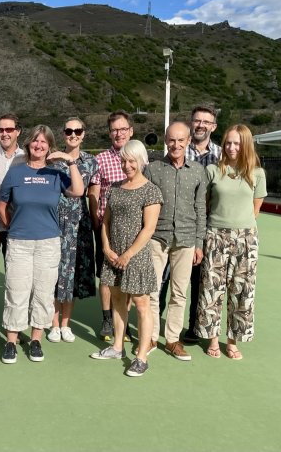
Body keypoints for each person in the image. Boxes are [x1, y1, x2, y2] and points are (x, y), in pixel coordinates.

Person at [0, 125, 84, 364]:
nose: (39, 145)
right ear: (28, 144)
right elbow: (2, 204)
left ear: (49, 147)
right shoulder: (15, 173)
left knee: (44, 294)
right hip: (19, 243)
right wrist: (13, 226)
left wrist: (70, 161)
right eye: (35, 141)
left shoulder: (56, 173)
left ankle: (36, 339)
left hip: (48, 243)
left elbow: (78, 191)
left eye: (44, 142)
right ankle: (11, 341)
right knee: (16, 291)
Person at [90, 140, 162, 377]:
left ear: (141, 161)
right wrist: (107, 248)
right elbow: (106, 222)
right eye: (123, 160)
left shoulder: (151, 190)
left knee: (142, 305)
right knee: (118, 301)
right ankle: (117, 347)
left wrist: (128, 254)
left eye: (132, 161)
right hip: (114, 256)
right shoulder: (116, 188)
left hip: (136, 257)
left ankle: (141, 357)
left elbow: (148, 229)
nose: (127, 165)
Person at [197, 124, 266, 360]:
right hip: (215, 235)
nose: (231, 147)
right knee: (212, 290)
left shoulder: (257, 174)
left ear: (245, 144)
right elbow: (205, 204)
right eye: (228, 142)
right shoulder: (213, 171)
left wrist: (239, 229)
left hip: (246, 238)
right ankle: (213, 339)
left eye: (237, 143)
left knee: (242, 291)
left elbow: (255, 210)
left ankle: (233, 341)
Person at [145, 122, 206, 362]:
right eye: (172, 140)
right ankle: (150, 337)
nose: (176, 145)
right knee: (152, 291)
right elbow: (146, 205)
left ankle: (172, 340)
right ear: (166, 140)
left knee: (180, 293)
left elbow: (200, 208)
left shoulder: (198, 171)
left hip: (186, 239)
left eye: (181, 140)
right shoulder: (153, 169)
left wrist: (199, 243)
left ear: (188, 141)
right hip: (157, 238)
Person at [161, 106, 222, 341]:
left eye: (206, 122)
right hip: (176, 226)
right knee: (165, 279)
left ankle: (193, 328)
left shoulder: (219, 155)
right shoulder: (179, 149)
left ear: (213, 126)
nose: (201, 125)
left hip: (208, 225)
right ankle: (155, 326)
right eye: (197, 121)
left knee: (198, 281)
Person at [47, 117, 97, 343]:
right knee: (55, 272)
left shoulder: (90, 161)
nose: (73, 135)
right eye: (69, 131)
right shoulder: (52, 160)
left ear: (84, 133)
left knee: (71, 273)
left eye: (78, 131)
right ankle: (53, 323)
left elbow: (86, 191)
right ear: (63, 133)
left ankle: (66, 323)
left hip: (79, 222)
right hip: (55, 220)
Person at [88, 110, 134, 342]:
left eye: (123, 129)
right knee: (107, 275)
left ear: (131, 131)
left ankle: (124, 321)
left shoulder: (138, 158)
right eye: (114, 129)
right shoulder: (101, 159)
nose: (119, 133)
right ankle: (108, 320)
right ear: (109, 133)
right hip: (107, 225)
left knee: (128, 272)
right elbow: (94, 191)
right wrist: (97, 221)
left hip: (133, 227)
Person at [0, 113, 24, 339]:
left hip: (18, 228)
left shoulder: (26, 156)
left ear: (18, 131)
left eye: (9, 129)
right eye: (1, 130)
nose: (5, 133)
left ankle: (14, 327)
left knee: (15, 279)